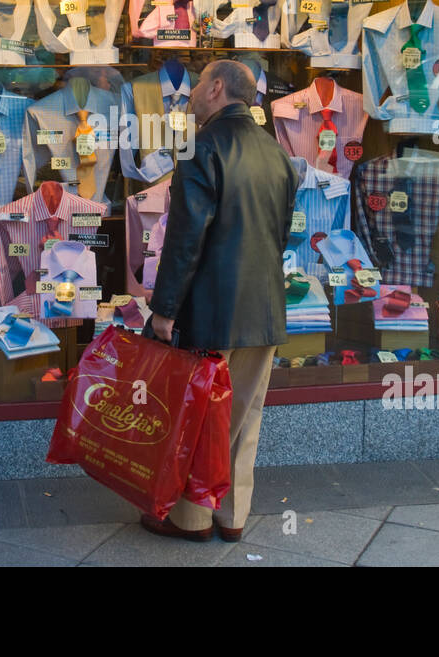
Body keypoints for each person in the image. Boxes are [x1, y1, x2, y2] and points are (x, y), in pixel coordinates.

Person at [144, 58, 297, 542]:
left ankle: (192, 518)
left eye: (196, 85)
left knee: (200, 417)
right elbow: (281, 233)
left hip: (212, 312)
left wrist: (164, 310)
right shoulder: (276, 152)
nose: (189, 93)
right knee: (244, 417)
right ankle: (232, 517)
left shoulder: (200, 145)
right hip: (266, 309)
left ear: (215, 88)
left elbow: (185, 239)